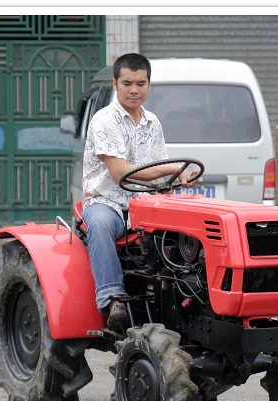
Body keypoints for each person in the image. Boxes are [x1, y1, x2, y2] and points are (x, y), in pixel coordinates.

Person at [81, 53, 197, 332]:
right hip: (108, 202)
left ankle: (190, 296)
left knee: (188, 226)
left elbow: (160, 167)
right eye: (127, 83)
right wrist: (172, 169)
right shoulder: (104, 120)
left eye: (141, 83)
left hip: (144, 203)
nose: (134, 90)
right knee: (99, 224)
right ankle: (113, 299)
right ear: (115, 84)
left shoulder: (153, 122)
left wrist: (177, 174)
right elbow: (122, 173)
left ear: (149, 84)